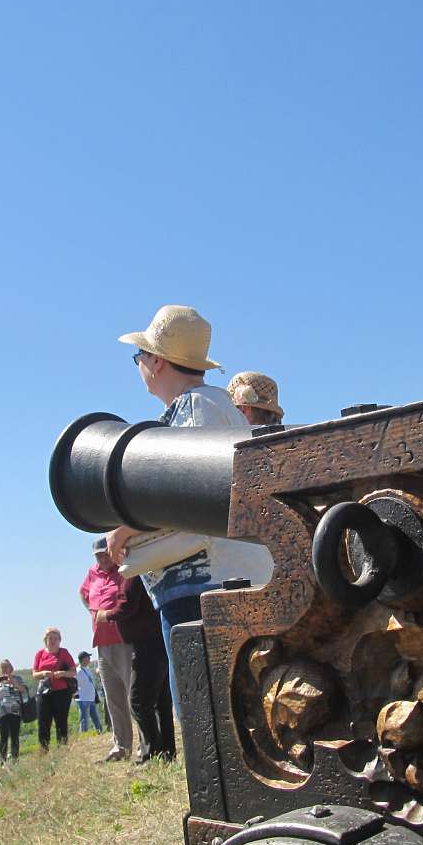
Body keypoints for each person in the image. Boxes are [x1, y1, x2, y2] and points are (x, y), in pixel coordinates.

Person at [108, 305, 273, 715]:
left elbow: (186, 491)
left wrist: (126, 530)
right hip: (218, 576)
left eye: (140, 357)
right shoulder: (214, 405)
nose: (140, 365)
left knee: (208, 717)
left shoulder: (193, 409)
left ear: (157, 361)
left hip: (203, 584)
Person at [98, 576, 175, 763]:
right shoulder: (145, 569)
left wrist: (106, 615)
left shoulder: (132, 573)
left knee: (139, 701)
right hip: (157, 640)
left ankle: (152, 753)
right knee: (160, 702)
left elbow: (127, 605)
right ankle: (166, 752)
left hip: (146, 644)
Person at [80, 538, 139, 761]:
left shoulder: (123, 569)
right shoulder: (92, 573)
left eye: (105, 554)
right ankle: (121, 746)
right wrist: (93, 612)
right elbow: (83, 593)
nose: (102, 558)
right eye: (98, 556)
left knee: (132, 693)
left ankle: (146, 743)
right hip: (102, 642)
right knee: (113, 696)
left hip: (124, 637)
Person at [32, 627, 76, 751]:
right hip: (44, 692)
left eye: (55, 638)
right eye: (50, 638)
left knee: (61, 722)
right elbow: (34, 675)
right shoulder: (40, 654)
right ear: (45, 640)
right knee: (43, 722)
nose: (52, 641)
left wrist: (62, 673)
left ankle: (62, 750)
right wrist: (44, 673)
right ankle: (44, 750)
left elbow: (73, 672)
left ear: (59, 640)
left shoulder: (64, 653)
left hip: (62, 692)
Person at [0, 660, 29, 762]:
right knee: (3, 737)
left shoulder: (17, 678)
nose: (5, 670)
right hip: (2, 712)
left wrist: (13, 682)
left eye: (7, 667)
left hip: (15, 711)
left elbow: (23, 690)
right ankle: (3, 761)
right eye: (3, 668)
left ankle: (15, 759)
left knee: (14, 736)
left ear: (11, 668)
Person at [75, 652, 102, 733]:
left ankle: (99, 732)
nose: (89, 659)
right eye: (88, 658)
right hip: (83, 699)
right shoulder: (78, 671)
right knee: (84, 719)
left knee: (95, 717)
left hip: (91, 698)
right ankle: (84, 735)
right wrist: (77, 697)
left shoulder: (87, 669)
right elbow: (74, 685)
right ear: (83, 659)